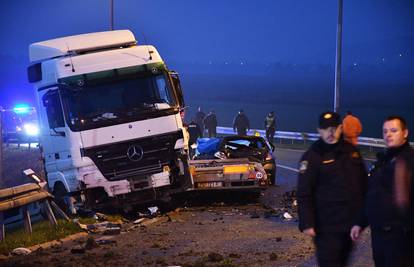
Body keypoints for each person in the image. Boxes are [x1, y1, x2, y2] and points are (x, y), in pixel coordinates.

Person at [297, 111, 367, 267]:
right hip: (326, 228)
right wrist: (307, 222)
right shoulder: (312, 157)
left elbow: (363, 186)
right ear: (319, 130)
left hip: (349, 226)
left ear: (341, 128)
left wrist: (361, 220)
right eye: (325, 128)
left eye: (334, 128)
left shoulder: (352, 153)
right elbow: (304, 193)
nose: (330, 132)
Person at [350, 116, 414, 267]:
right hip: (379, 236)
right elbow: (372, 195)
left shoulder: (410, 161)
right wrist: (359, 222)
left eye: (393, 130)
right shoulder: (382, 161)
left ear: (405, 133)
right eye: (385, 131)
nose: (388, 135)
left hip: (402, 239)